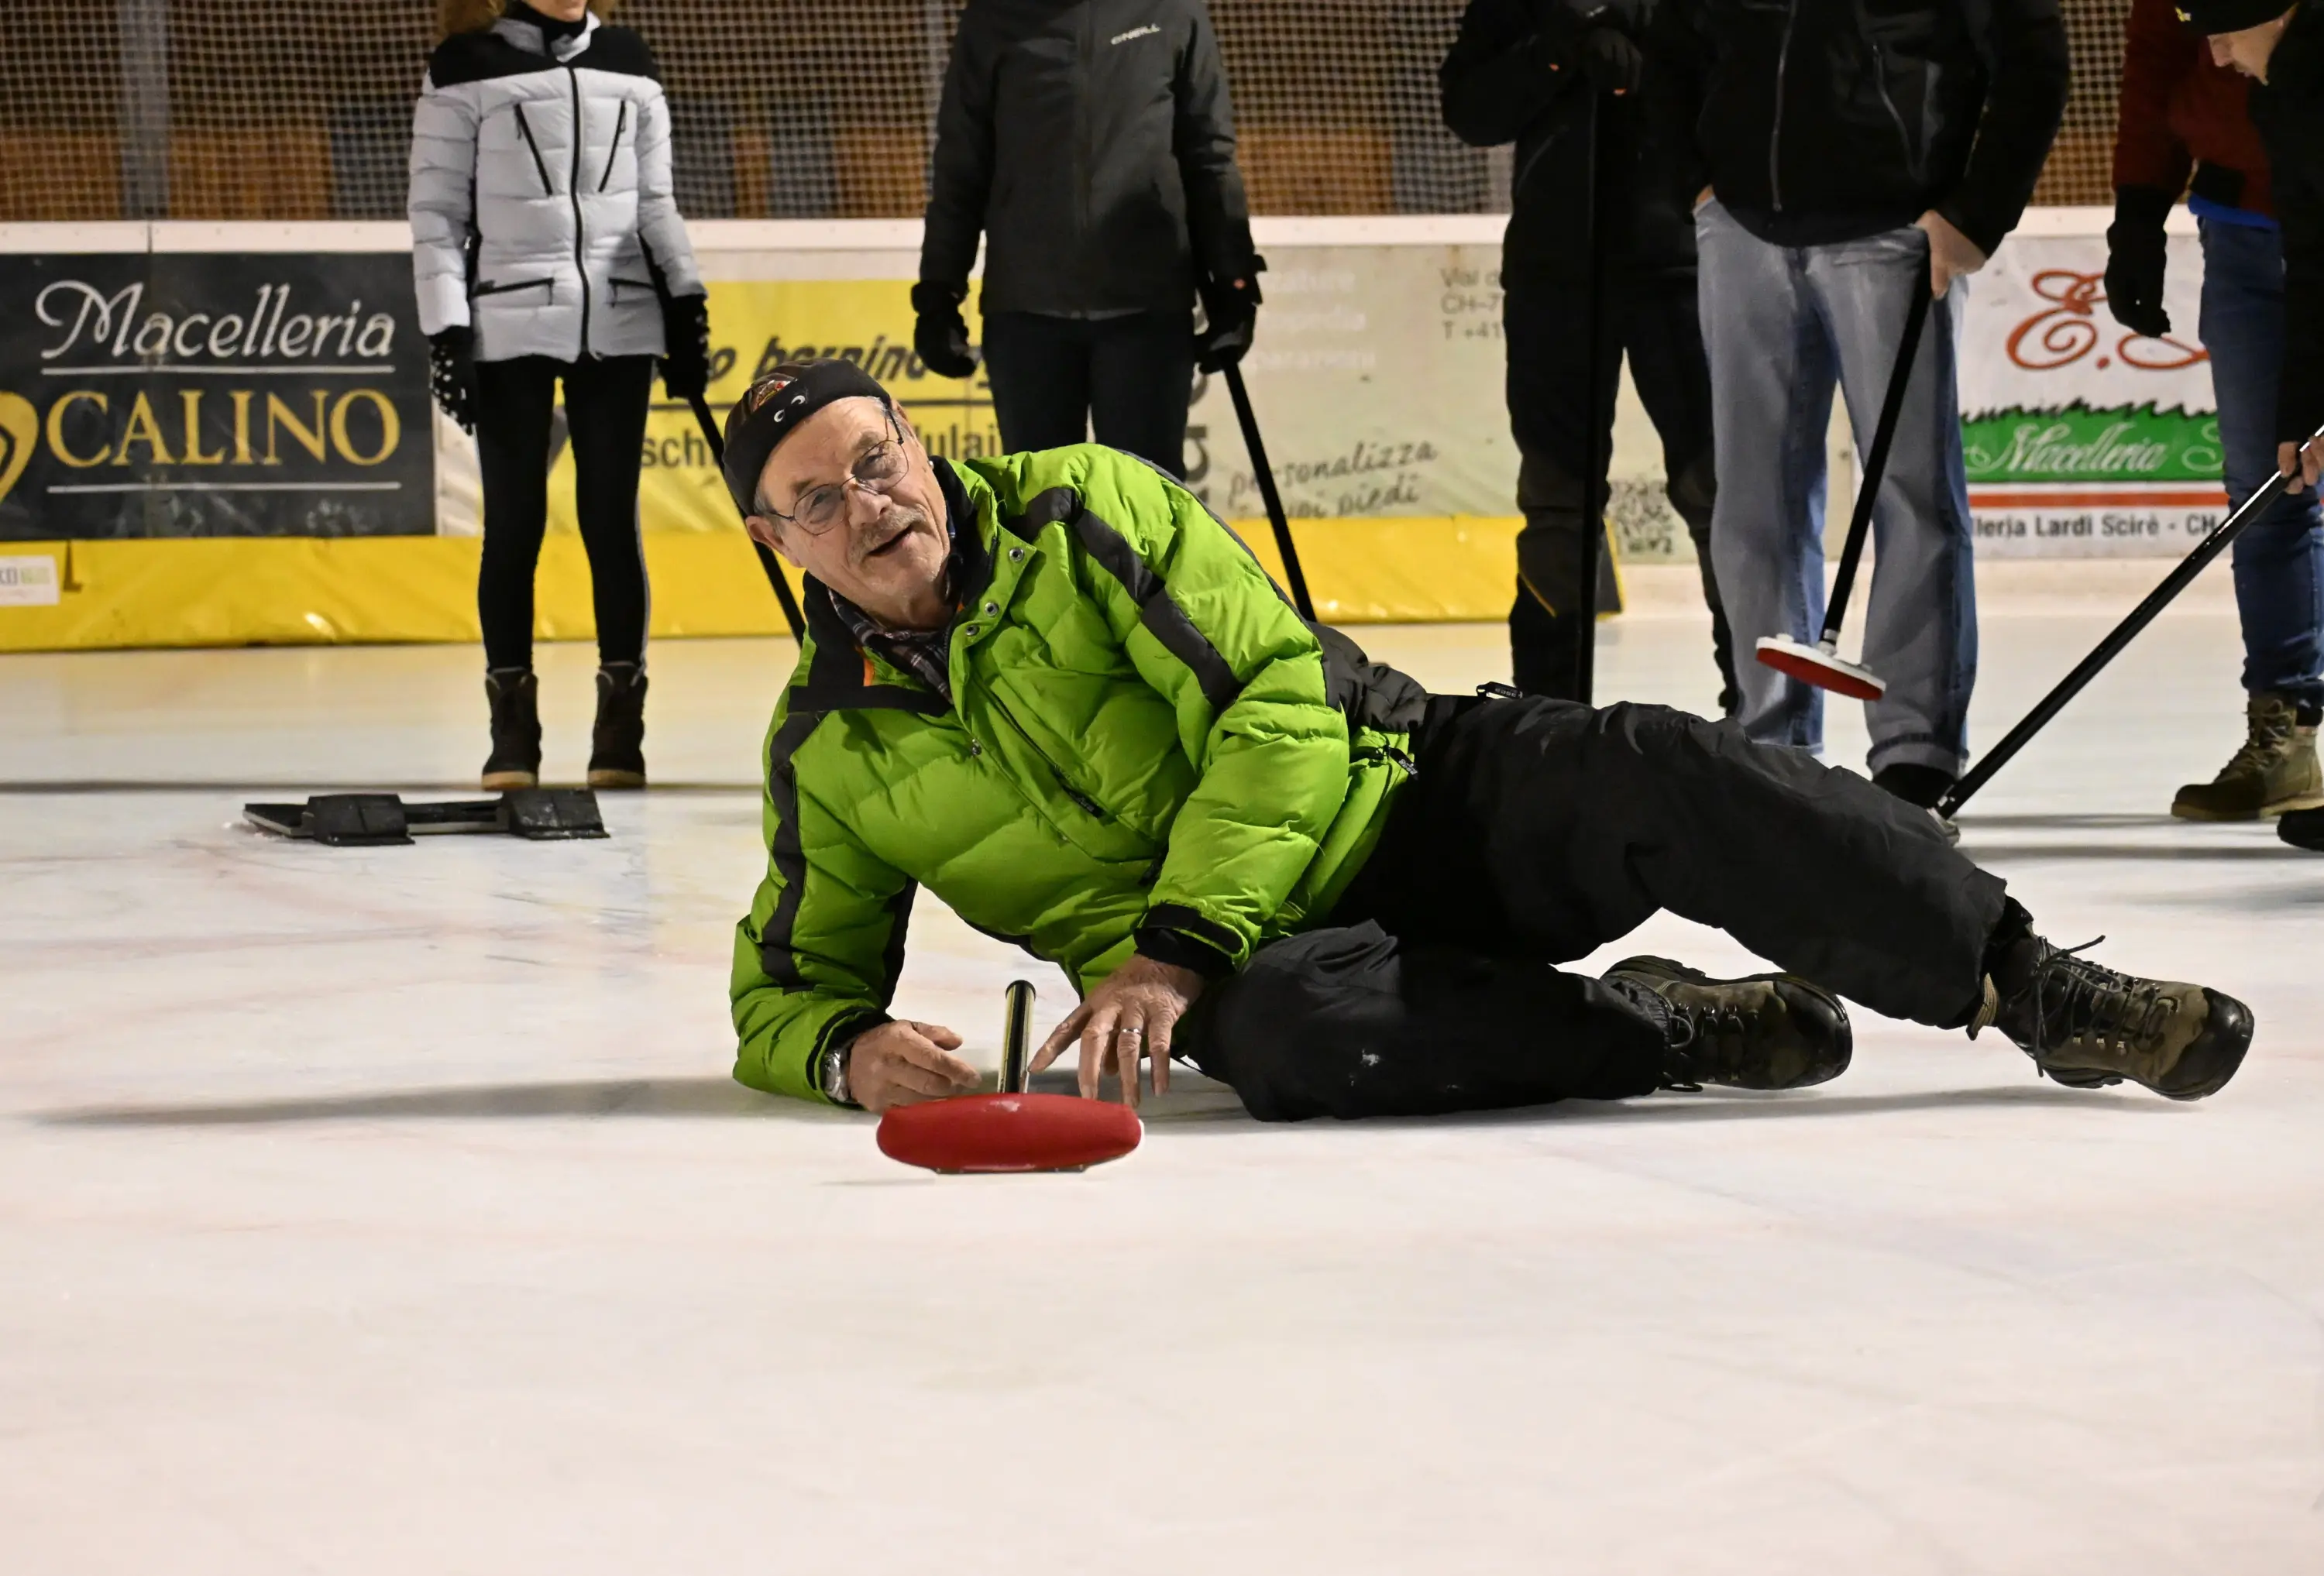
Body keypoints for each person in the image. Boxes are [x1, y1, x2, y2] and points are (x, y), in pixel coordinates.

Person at [716, 359, 2254, 1120]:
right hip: (1256, 963)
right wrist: (846, 1055)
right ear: (780, 543)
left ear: (920, 442)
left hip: (1391, 781)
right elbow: (787, 982)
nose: (871, 505)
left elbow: (1280, 700)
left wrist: (1171, 940)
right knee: (1310, 1047)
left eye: (877, 457)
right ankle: (1662, 1031)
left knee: (1651, 761)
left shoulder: (1083, 507)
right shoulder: (826, 751)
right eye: (820, 498)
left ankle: (2036, 984)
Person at [1655, 0, 2071, 811]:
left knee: (1911, 494)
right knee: (1752, 502)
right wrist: (1695, 187)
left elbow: (2034, 58)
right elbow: (1673, 43)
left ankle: (1917, 752)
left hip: (1892, 229)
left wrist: (1975, 215)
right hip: (1740, 228)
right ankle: (1771, 741)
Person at [409, 0, 710, 790]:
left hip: (621, 317)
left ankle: (621, 726)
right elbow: (437, 214)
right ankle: (512, 726)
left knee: (611, 519)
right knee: (513, 524)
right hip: (507, 325)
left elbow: (653, 205)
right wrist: (448, 330)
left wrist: (685, 300)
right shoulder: (464, 65)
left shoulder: (629, 57)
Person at [1441, 0, 1738, 710]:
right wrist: (1558, 46)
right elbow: (1470, 111)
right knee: (1557, 502)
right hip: (1556, 275)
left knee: (1718, 494)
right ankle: (1547, 720)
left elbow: (1749, 90)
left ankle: (1761, 714)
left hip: (1684, 267)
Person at [2109, 0, 2324, 823]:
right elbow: (2158, 58)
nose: (2217, 51)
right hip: (2244, 224)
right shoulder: (2260, 89)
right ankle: (2286, 728)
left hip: (2311, 216)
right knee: (2270, 485)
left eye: (2225, 32)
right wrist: (2138, 208)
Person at [913, 0, 1260, 478]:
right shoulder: (994, 16)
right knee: (1039, 507)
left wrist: (1234, 281)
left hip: (1146, 312)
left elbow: (1209, 152)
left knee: (1146, 510)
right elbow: (961, 163)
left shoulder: (1172, 12)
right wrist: (939, 292)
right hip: (1027, 315)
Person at [2178, 0, 2324, 853]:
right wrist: (2300, 411)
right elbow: (2314, 256)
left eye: (2225, 30)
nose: (2218, 54)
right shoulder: (2279, 95)